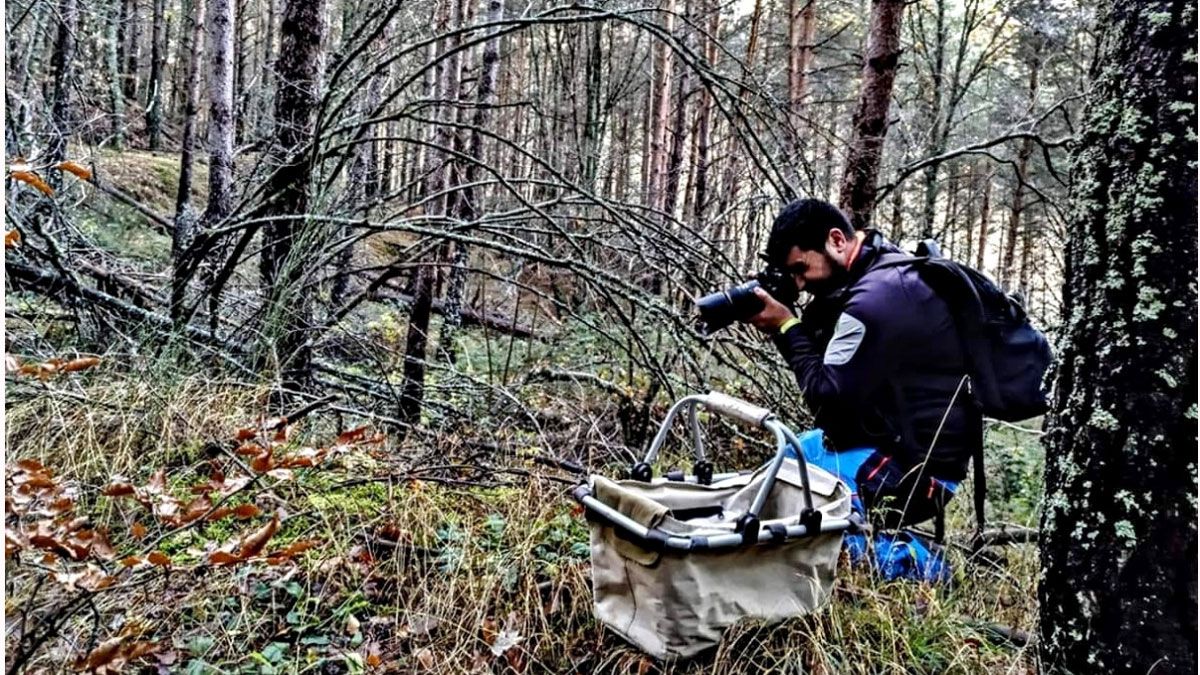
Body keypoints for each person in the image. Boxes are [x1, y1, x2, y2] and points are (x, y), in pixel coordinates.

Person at [740, 198, 982, 533]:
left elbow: (826, 395)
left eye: (801, 269)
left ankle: (925, 566)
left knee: (822, 531)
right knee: (770, 484)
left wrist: (787, 326)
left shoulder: (875, 296)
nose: (799, 284)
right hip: (879, 437)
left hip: (919, 468)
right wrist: (785, 324)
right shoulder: (875, 270)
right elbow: (832, 378)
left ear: (837, 240)